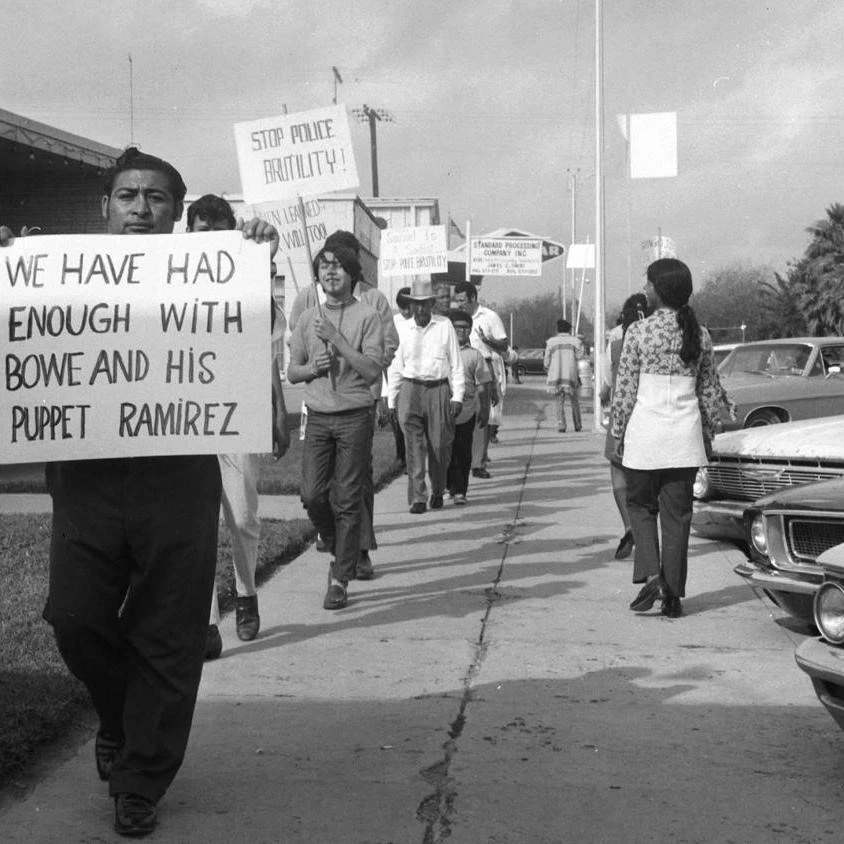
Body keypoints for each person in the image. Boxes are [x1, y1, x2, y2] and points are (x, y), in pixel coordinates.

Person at [0, 147, 279, 838]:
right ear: (106, 207)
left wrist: (256, 257)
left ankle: (141, 777)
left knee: (169, 630)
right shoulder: (55, 276)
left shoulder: (210, 278)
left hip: (176, 474)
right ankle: (123, 716)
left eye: (157, 198)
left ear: (177, 213)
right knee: (73, 616)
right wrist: (10, 272)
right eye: (128, 196)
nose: (141, 209)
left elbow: (246, 336)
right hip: (86, 474)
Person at [186, 194, 290, 659]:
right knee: (196, 522)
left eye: (217, 231)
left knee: (243, 515)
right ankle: (207, 620)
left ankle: (246, 593)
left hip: (236, 412)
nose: (207, 240)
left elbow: (267, 338)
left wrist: (260, 260)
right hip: (183, 416)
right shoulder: (167, 280)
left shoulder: (246, 280)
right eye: (199, 230)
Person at [611, 258, 724, 619]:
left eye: (648, 284)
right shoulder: (701, 334)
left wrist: (617, 433)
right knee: (678, 517)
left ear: (660, 291)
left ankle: (654, 576)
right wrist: (707, 437)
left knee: (640, 508)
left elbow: (625, 390)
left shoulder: (639, 333)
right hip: (684, 439)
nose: (645, 289)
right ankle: (673, 595)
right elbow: (709, 394)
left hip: (646, 436)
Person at [288, 230, 398, 581]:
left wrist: (337, 339)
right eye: (323, 266)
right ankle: (338, 542)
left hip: (354, 414)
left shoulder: (368, 314)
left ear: (353, 273)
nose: (330, 272)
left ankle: (342, 575)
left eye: (338, 266)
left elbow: (371, 369)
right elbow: (293, 370)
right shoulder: (308, 317)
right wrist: (311, 369)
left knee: (350, 495)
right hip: (318, 415)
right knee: (312, 494)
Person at [387, 279, 465, 513]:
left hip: (438, 390)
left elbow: (456, 363)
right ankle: (418, 497)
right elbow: (395, 366)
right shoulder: (401, 328)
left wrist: (457, 395)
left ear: (432, 304)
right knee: (413, 447)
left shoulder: (444, 326)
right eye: (416, 304)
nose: (420, 309)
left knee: (440, 446)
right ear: (411, 306)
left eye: (424, 304)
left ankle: (438, 489)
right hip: (410, 389)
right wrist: (392, 400)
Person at [600, 294, 649, 559]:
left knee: (619, 476)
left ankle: (630, 526)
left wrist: (603, 397)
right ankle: (643, 530)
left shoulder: (616, 340)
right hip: (649, 415)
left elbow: (607, 380)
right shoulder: (656, 336)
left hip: (621, 414)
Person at [453, 281, 508, 475]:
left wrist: (487, 340)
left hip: (484, 366)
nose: (459, 304)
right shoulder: (453, 318)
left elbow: (504, 344)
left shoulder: (489, 317)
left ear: (473, 298)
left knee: (482, 415)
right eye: (457, 300)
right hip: (459, 367)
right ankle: (460, 460)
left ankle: (478, 462)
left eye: (462, 300)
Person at [445, 309, 491, 505]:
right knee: (444, 450)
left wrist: (484, 409)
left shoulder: (475, 355)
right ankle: (447, 485)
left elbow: (483, 384)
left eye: (465, 328)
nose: (461, 332)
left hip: (467, 409)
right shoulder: (442, 352)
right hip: (443, 409)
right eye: (457, 328)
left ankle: (460, 490)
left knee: (463, 451)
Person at [544, 319, 584, 433]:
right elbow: (580, 355)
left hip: (556, 375)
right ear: (568, 329)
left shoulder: (551, 342)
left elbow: (546, 360)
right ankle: (578, 425)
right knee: (574, 402)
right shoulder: (575, 341)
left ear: (558, 329)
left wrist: (547, 367)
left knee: (559, 402)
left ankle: (561, 426)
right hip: (571, 374)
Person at [389, 286, 413, 467]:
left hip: (412, 377)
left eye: (409, 307)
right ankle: (401, 456)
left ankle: (412, 456)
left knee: (411, 421)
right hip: (393, 374)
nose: (406, 312)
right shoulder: (392, 322)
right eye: (402, 308)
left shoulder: (419, 322)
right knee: (395, 418)